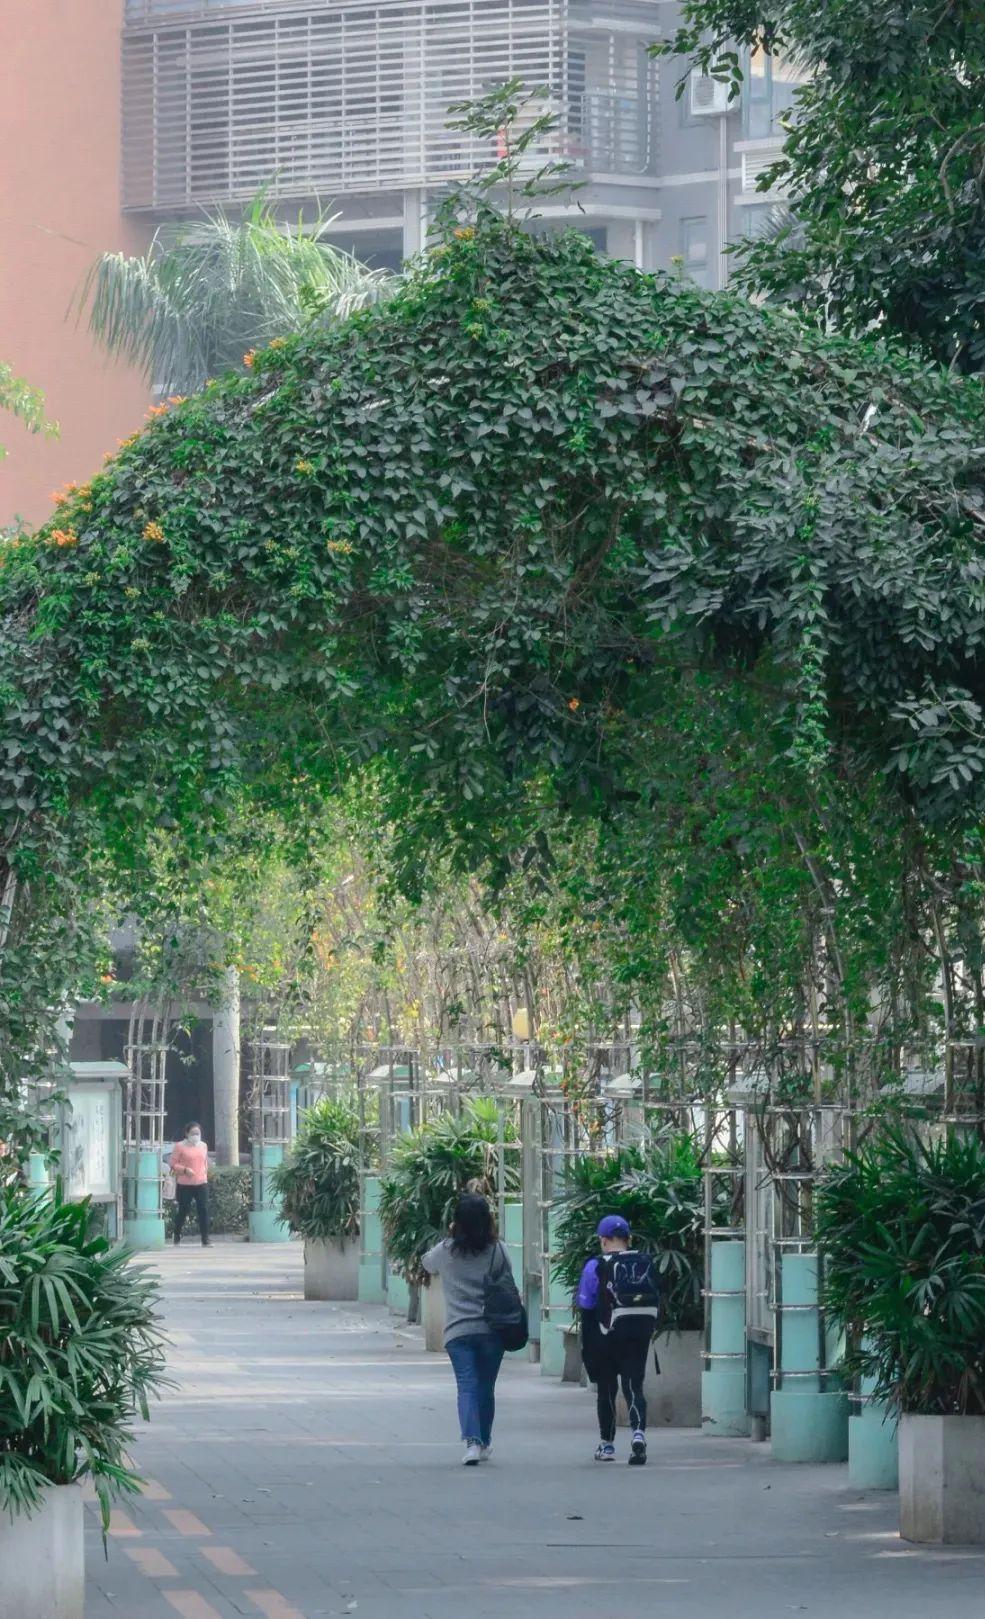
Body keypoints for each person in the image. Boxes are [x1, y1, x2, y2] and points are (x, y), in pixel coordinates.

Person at [422, 1192, 517, 1466]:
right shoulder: (497, 1249)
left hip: (458, 1332)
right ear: (488, 1220)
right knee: (486, 1387)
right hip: (492, 1330)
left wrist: (450, 1236)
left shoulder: (446, 1250)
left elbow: (427, 1263)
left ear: (457, 1222)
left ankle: (472, 1443)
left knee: (467, 1385)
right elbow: (508, 1274)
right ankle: (484, 1442)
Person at [576, 1214, 661, 1466]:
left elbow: (586, 1304)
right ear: (628, 1239)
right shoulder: (644, 1262)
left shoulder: (596, 1265)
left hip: (607, 1333)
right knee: (634, 1385)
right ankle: (638, 1435)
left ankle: (607, 1444)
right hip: (640, 1330)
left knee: (607, 1389)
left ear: (603, 1240)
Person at [168, 1121, 211, 1247]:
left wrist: (205, 1173)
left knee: (203, 1210)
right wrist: (185, 1170)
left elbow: (205, 1162)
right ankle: (176, 1235)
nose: (196, 1136)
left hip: (201, 1183)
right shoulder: (179, 1146)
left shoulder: (203, 1145)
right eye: (193, 1133)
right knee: (183, 1210)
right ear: (187, 1134)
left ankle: (205, 1239)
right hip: (185, 1184)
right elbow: (173, 1164)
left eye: (198, 1133)